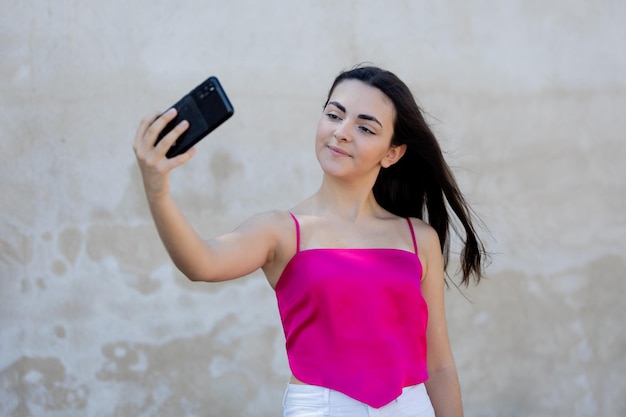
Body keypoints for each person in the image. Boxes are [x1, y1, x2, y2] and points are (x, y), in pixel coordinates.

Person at [133, 65, 487, 417]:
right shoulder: (282, 231)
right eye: (334, 115)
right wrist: (157, 191)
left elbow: (439, 365)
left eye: (365, 127)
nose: (342, 132)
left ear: (392, 153)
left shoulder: (418, 238)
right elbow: (202, 263)